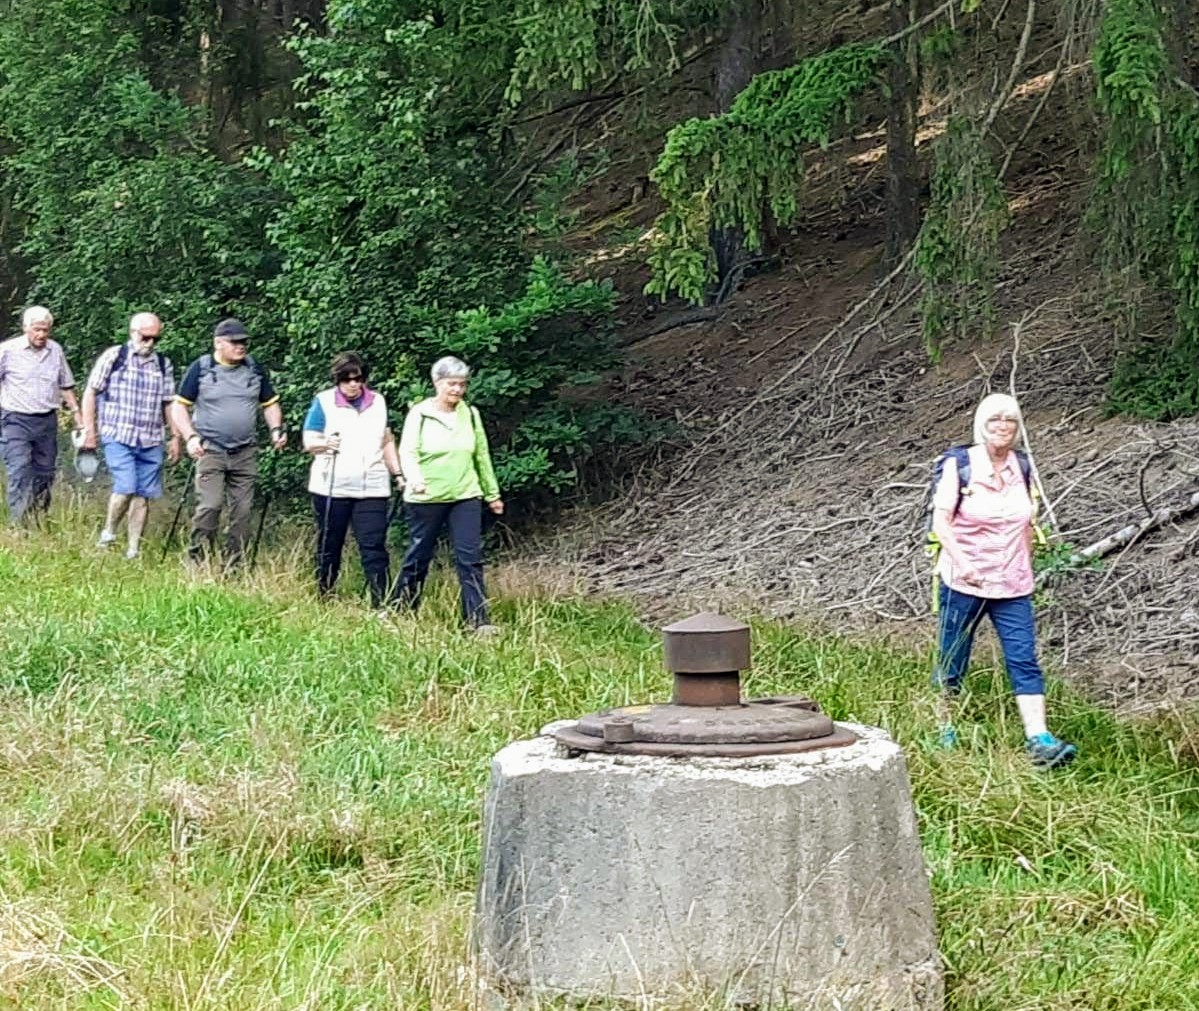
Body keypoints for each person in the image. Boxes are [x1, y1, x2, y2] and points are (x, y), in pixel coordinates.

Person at [930, 392, 1076, 769]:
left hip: (1012, 585)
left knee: (1024, 658)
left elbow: (1026, 523)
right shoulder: (960, 464)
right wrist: (964, 564)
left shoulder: (1021, 465)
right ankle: (944, 727)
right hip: (964, 581)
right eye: (995, 419)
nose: (1003, 426)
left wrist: (1025, 563)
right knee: (952, 657)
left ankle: (1039, 739)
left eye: (1010, 420)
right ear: (982, 424)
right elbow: (941, 524)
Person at [396, 356, 503, 631]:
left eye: (462, 384)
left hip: (465, 494)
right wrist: (414, 479)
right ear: (437, 383)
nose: (457, 389)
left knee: (470, 558)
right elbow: (408, 451)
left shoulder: (470, 414)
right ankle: (401, 610)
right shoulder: (419, 413)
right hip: (426, 495)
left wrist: (492, 494)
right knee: (419, 555)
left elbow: (481, 455)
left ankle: (478, 621)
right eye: (451, 384)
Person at [169, 318, 286, 568]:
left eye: (244, 342)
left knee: (242, 512)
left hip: (245, 451)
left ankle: (234, 566)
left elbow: (270, 403)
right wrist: (190, 437)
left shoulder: (254, 369)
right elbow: (179, 407)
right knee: (210, 507)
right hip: (209, 449)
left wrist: (276, 429)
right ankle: (197, 563)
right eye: (235, 342)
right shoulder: (201, 368)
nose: (241, 346)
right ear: (218, 343)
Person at [302, 352, 405, 608]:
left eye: (357, 379)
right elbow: (309, 441)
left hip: (372, 486)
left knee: (374, 546)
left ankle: (381, 603)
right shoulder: (324, 401)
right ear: (337, 380)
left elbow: (386, 440)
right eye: (346, 379)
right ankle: (325, 597)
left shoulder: (378, 402)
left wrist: (398, 474)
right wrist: (325, 443)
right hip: (331, 486)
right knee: (329, 544)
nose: (352, 384)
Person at [81, 312, 180, 558]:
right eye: (146, 337)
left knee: (143, 495)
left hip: (151, 438)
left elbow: (169, 402)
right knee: (126, 486)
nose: (150, 343)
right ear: (133, 333)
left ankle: (133, 550)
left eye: (155, 339)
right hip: (118, 434)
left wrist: (175, 436)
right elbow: (91, 392)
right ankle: (108, 534)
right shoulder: (114, 356)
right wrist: (89, 431)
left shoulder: (163, 364)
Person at [0, 306, 83, 524]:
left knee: (45, 472)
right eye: (37, 330)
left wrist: (77, 415)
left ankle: (38, 519)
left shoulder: (55, 351)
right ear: (25, 328)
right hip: (15, 419)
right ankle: (19, 525)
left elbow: (66, 385)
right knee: (20, 469)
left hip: (46, 420)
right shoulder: (7, 351)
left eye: (45, 330)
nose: (41, 335)